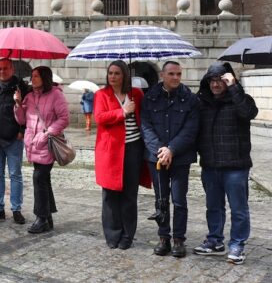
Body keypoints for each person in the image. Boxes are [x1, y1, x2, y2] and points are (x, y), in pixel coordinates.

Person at [194, 62, 258, 265]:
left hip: (235, 166)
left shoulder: (241, 99)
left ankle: (237, 244)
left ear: (229, 80)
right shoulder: (201, 102)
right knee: (213, 207)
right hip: (210, 164)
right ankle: (215, 241)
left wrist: (234, 87)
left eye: (220, 80)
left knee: (238, 208)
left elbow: (249, 113)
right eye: (212, 80)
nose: (215, 84)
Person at [141, 61, 199, 257]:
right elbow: (146, 127)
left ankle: (178, 239)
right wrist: (161, 151)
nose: (176, 78)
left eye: (179, 74)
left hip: (180, 158)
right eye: (172, 74)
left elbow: (191, 129)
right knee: (161, 199)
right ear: (163, 76)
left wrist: (171, 150)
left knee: (179, 200)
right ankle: (163, 237)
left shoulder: (190, 99)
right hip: (156, 157)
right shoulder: (149, 98)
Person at [93, 60, 151, 249]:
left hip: (133, 149)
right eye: (110, 73)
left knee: (129, 194)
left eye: (117, 73)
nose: (113, 77)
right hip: (110, 151)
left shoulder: (136, 94)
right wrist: (123, 112)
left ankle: (127, 235)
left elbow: (145, 118)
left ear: (125, 75)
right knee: (110, 195)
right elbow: (100, 118)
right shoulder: (101, 95)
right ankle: (112, 234)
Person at [15, 66, 69, 234]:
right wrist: (18, 104)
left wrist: (47, 133)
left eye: (36, 76)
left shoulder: (56, 95)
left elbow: (64, 119)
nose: (33, 78)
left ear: (44, 77)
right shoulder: (30, 96)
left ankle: (41, 217)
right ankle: (48, 217)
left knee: (39, 178)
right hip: (33, 144)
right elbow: (22, 120)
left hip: (46, 144)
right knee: (43, 180)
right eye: (32, 76)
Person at [0, 58, 30, 223]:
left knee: (15, 174)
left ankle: (16, 209)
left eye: (5, 68)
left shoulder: (20, 87)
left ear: (12, 69)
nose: (2, 71)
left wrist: (22, 130)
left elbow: (28, 112)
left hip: (13, 139)